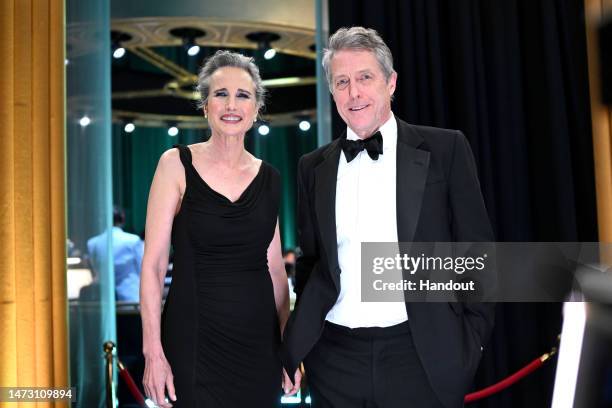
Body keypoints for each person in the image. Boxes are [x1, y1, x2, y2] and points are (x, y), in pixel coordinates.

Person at [280, 27, 495, 408]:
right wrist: (300, 342)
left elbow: (477, 252)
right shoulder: (312, 167)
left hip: (420, 354)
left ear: (391, 82)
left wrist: (470, 340)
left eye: (365, 78)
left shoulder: (446, 149)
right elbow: (313, 264)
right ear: (332, 91)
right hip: (333, 358)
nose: (354, 93)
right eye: (342, 82)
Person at [140, 50, 296, 408]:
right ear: (205, 104)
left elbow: (275, 270)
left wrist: (289, 345)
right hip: (193, 341)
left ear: (257, 109)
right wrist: (153, 352)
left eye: (243, 95)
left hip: (260, 347)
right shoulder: (175, 164)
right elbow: (153, 264)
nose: (231, 104)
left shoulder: (270, 178)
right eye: (220, 93)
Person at [86, 206, 143, 302]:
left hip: (104, 299)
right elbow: (141, 268)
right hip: (130, 297)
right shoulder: (133, 240)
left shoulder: (92, 243)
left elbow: (95, 269)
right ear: (122, 220)